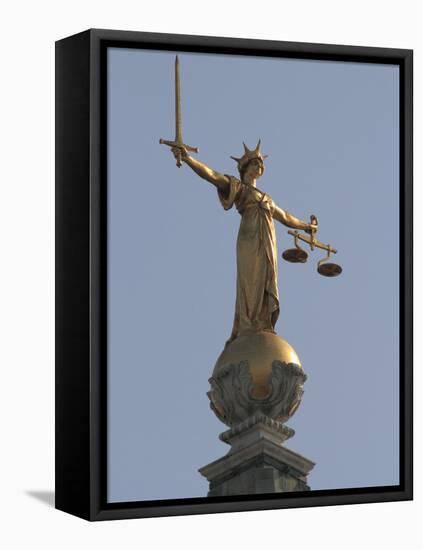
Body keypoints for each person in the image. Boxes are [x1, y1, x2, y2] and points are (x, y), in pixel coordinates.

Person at [171, 140, 317, 344]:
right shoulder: (239, 188)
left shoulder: (267, 198)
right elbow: (212, 175)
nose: (260, 167)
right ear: (245, 168)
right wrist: (187, 158)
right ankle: (248, 323)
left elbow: (285, 217)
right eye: (256, 163)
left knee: (267, 277)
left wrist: (305, 227)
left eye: (261, 164)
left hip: (267, 241)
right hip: (249, 239)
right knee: (251, 280)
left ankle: (262, 321)